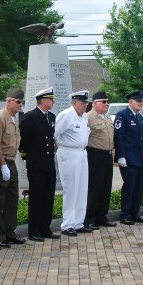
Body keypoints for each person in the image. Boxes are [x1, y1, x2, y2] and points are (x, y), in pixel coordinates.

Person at [19, 87, 60, 242]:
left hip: (49, 163)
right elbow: (23, 140)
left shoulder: (51, 116)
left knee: (48, 197)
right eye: (51, 99)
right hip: (36, 164)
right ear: (43, 101)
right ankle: (34, 230)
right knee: (37, 197)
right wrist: (26, 156)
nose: (53, 101)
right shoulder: (30, 117)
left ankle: (45, 228)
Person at [0, 87, 25, 247]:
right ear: (8, 101)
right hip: (0, 163)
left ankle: (10, 233)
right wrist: (3, 165)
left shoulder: (13, 118)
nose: (20, 105)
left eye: (21, 102)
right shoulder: (0, 118)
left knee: (12, 198)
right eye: (18, 102)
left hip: (11, 161)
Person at [56, 90, 92, 236]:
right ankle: (68, 224)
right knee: (71, 189)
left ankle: (78, 222)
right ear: (74, 102)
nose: (85, 105)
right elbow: (55, 134)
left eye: (86, 103)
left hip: (82, 152)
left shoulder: (84, 116)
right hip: (69, 152)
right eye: (83, 103)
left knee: (82, 188)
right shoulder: (66, 115)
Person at [114, 91, 143, 225]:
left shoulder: (139, 116)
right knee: (129, 186)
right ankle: (125, 214)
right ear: (130, 102)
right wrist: (121, 156)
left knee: (139, 187)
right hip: (129, 158)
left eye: (142, 101)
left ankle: (135, 213)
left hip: (140, 157)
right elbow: (119, 137)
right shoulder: (122, 115)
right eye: (138, 101)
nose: (141, 103)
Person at [85, 91, 117, 228]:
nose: (107, 104)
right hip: (95, 155)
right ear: (94, 103)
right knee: (95, 187)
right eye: (103, 101)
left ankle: (102, 216)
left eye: (107, 101)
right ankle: (90, 218)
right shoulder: (88, 117)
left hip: (108, 155)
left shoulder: (107, 117)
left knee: (106, 187)